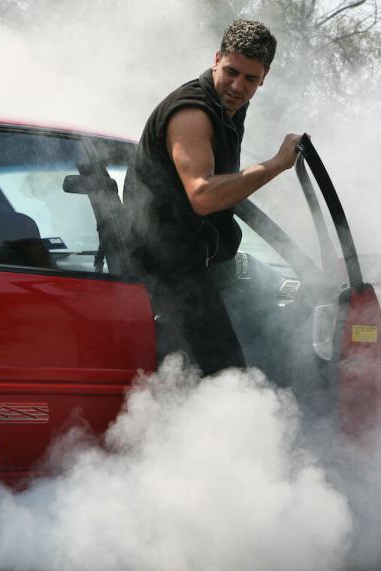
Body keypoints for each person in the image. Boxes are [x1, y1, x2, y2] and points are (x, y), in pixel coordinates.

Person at [122, 19, 301, 375]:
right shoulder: (193, 114)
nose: (237, 86)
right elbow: (203, 196)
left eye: (250, 79)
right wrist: (277, 165)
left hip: (197, 263)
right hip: (166, 270)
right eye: (231, 72)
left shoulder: (230, 108)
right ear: (216, 59)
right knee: (227, 379)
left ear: (264, 76)